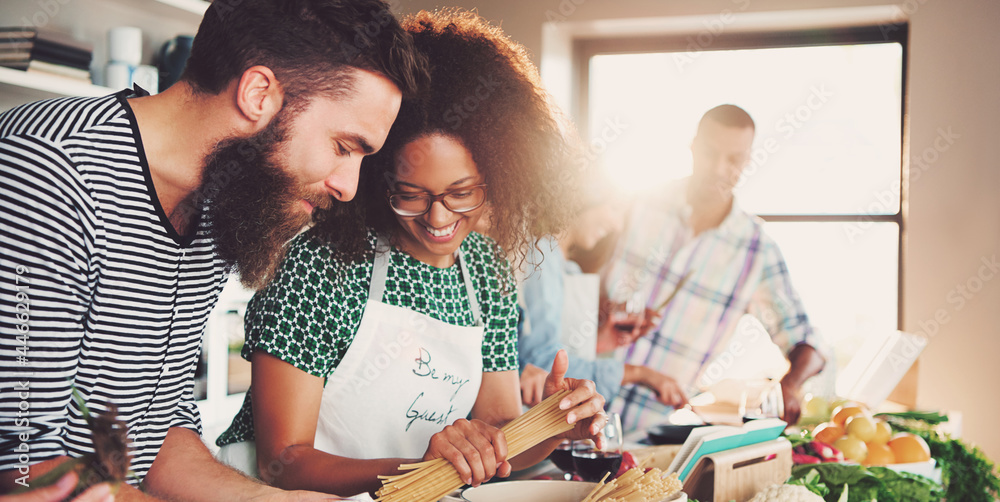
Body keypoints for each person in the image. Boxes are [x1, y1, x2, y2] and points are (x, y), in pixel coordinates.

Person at [0, 0, 427, 499]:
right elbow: (23, 465)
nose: (349, 187)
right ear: (258, 93)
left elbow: (161, 431)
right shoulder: (50, 172)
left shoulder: (222, 201)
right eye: (344, 146)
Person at [214, 9, 604, 499]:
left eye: (461, 193)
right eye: (412, 194)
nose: (438, 219)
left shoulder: (485, 270)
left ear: (501, 178)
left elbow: (498, 432)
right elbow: (282, 461)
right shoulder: (322, 265)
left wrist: (553, 427)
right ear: (379, 179)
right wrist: (419, 468)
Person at [602, 104, 828, 433]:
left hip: (651, 436)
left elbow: (808, 342)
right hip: (573, 407)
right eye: (709, 153)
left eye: (734, 160)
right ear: (693, 148)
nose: (720, 169)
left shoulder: (756, 251)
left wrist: (789, 386)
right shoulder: (639, 203)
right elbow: (577, 273)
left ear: (748, 161)